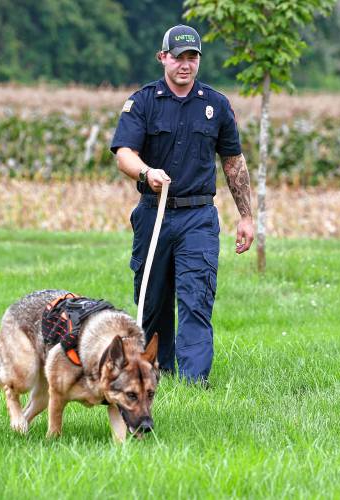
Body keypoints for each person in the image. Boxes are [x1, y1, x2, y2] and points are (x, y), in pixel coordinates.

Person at [110, 24, 254, 385]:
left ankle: (194, 382)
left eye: (192, 58)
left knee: (196, 299)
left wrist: (247, 216)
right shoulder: (142, 102)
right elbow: (124, 154)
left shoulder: (216, 105)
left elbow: (234, 162)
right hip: (153, 213)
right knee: (153, 301)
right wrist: (146, 173)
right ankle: (156, 371)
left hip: (198, 218)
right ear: (163, 58)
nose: (185, 65)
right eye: (178, 57)